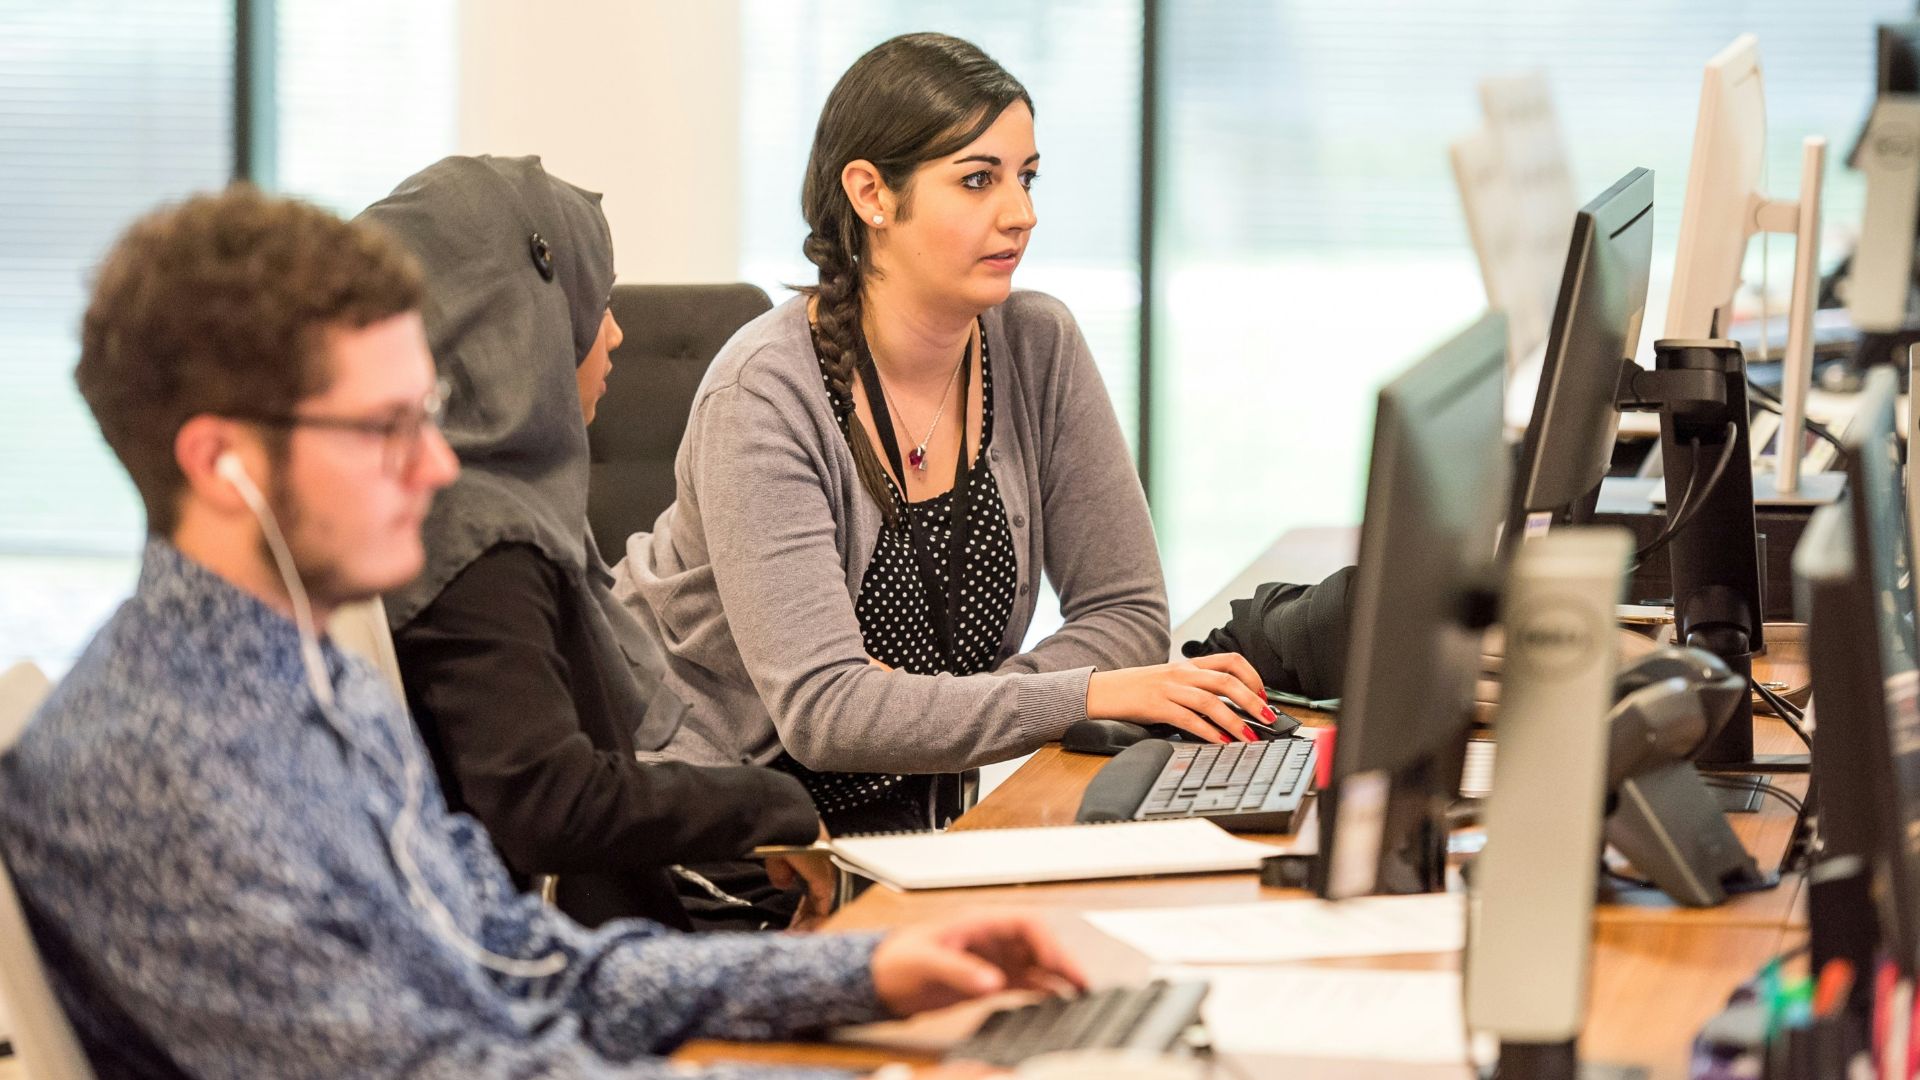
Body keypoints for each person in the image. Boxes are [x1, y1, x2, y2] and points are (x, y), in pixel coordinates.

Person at [0, 184, 1081, 1078]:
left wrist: (861, 973)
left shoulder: (310, 684)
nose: (435, 466)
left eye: (427, 415)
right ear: (218, 463)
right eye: (385, 427)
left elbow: (520, 959)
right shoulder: (162, 765)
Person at [616, 32, 1276, 834]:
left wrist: (925, 705)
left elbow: (1128, 614)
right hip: (732, 832)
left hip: (922, 821)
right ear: (871, 194)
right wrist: (1083, 692)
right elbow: (826, 713)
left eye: (1027, 177)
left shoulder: (1037, 345)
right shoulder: (765, 394)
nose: (1021, 214)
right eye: (977, 180)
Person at [359, 155, 830, 932]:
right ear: (520, 320)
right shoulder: (481, 541)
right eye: (594, 302)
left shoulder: (454, 506)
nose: (614, 332)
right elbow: (547, 804)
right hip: (561, 956)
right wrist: (769, 805)